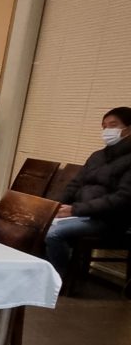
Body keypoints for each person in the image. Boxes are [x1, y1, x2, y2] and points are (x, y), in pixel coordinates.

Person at [44, 107, 131, 275]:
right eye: (104, 126)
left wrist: (75, 209)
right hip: (82, 212)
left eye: (113, 125)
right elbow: (75, 183)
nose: (107, 131)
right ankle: (39, 272)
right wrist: (55, 205)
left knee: (52, 233)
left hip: (111, 219)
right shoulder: (97, 156)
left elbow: (122, 198)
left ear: (128, 129)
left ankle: (58, 279)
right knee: (36, 223)